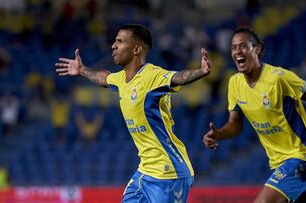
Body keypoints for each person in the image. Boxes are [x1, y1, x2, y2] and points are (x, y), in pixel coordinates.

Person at [56, 24, 211, 202]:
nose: (113, 45)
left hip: (169, 172)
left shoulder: (152, 76)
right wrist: (82, 70)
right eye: (115, 41)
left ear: (137, 49)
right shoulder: (121, 79)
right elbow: (103, 78)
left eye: (120, 41)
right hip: (145, 171)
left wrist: (201, 71)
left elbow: (178, 77)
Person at [203, 28, 306, 203]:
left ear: (258, 49)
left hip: (301, 158)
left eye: (243, 46)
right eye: (233, 47)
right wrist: (219, 134)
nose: (237, 51)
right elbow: (235, 124)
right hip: (278, 163)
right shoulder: (234, 83)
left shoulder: (279, 78)